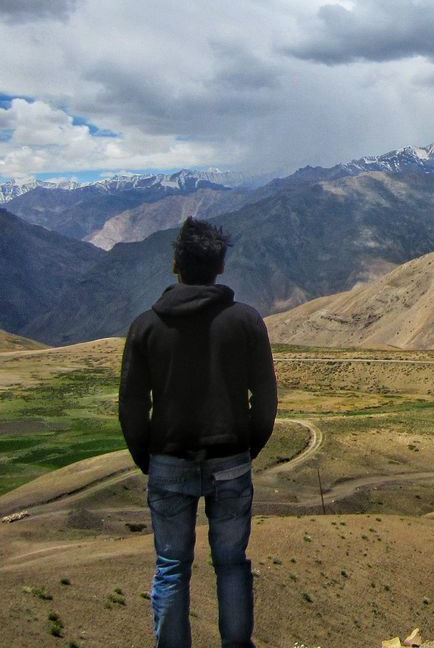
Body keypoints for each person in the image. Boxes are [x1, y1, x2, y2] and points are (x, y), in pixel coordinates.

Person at [118, 216, 278, 648]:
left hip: (168, 461)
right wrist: (247, 447)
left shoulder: (146, 327)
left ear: (176, 266)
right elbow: (265, 398)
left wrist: (148, 458)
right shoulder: (246, 321)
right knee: (231, 563)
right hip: (230, 461)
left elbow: (132, 404)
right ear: (220, 267)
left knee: (171, 566)